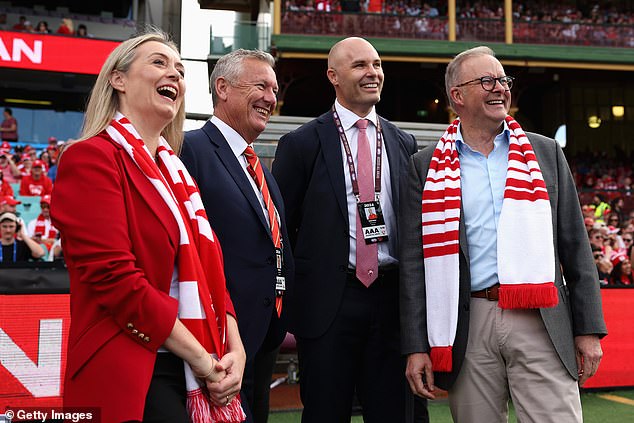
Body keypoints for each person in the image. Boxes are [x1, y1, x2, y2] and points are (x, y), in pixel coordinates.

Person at [399, 46, 607, 422]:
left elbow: (576, 248)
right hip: (467, 321)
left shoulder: (545, 153)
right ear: (457, 96)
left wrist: (590, 328)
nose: (500, 88)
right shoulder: (425, 165)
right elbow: (414, 266)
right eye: (487, 81)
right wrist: (416, 346)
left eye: (504, 80)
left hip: (540, 315)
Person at [50, 29, 246, 423]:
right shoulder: (90, 159)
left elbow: (213, 282)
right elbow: (116, 278)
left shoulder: (177, 176)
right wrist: (203, 361)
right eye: (158, 62)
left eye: (179, 68)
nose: (174, 74)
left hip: (198, 366)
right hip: (135, 366)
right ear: (118, 79)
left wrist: (235, 351)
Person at [272, 37, 428, 422]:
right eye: (359, 65)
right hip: (328, 302)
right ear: (334, 76)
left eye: (376, 64)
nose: (372, 72)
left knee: (395, 413)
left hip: (391, 304)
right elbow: (280, 230)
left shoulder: (403, 143)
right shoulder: (301, 143)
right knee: (325, 412)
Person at [181, 48, 294, 423]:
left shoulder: (259, 167)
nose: (270, 98)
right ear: (223, 88)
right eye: (260, 85)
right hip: (217, 343)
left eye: (274, 90)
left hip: (263, 339)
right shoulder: (189, 149)